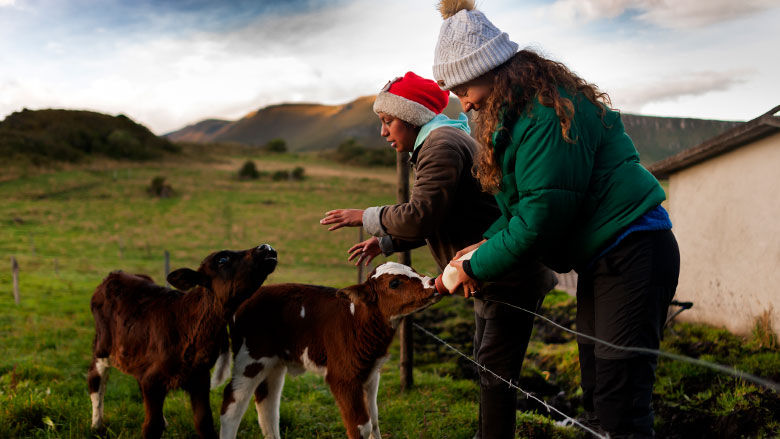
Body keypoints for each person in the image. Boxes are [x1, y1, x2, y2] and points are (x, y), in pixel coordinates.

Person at [431, 1, 680, 438]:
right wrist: (481, 246)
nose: (462, 101)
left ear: (489, 70)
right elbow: (520, 210)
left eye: (462, 88)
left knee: (620, 399)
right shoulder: (517, 115)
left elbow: (540, 221)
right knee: (598, 389)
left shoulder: (546, 115)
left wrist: (471, 266)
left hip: (634, 250)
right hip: (605, 259)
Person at [320, 71, 556, 439]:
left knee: (493, 370)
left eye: (388, 121)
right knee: (489, 364)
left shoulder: (441, 146)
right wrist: (384, 243)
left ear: (412, 117)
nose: (384, 132)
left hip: (506, 274)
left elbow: (421, 216)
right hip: (491, 269)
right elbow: (442, 216)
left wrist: (366, 218)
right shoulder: (446, 139)